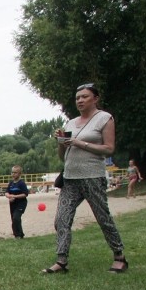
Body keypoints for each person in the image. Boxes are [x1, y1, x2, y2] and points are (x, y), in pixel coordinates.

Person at [42, 83, 127, 274]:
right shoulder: (71, 122)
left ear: (95, 99)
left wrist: (80, 142)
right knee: (61, 219)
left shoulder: (104, 118)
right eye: (77, 97)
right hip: (70, 177)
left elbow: (109, 149)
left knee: (102, 217)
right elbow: (62, 155)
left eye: (84, 97)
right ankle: (61, 261)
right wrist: (61, 142)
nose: (80, 100)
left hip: (92, 177)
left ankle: (119, 256)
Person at [5, 165, 29, 239]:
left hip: (21, 204)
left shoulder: (21, 183)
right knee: (14, 219)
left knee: (16, 217)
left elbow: (25, 194)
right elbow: (6, 192)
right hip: (12, 204)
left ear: (19, 174)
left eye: (15, 172)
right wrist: (9, 196)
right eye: (12, 172)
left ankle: (18, 235)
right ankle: (18, 235)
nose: (13, 174)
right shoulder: (11, 183)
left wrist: (14, 196)